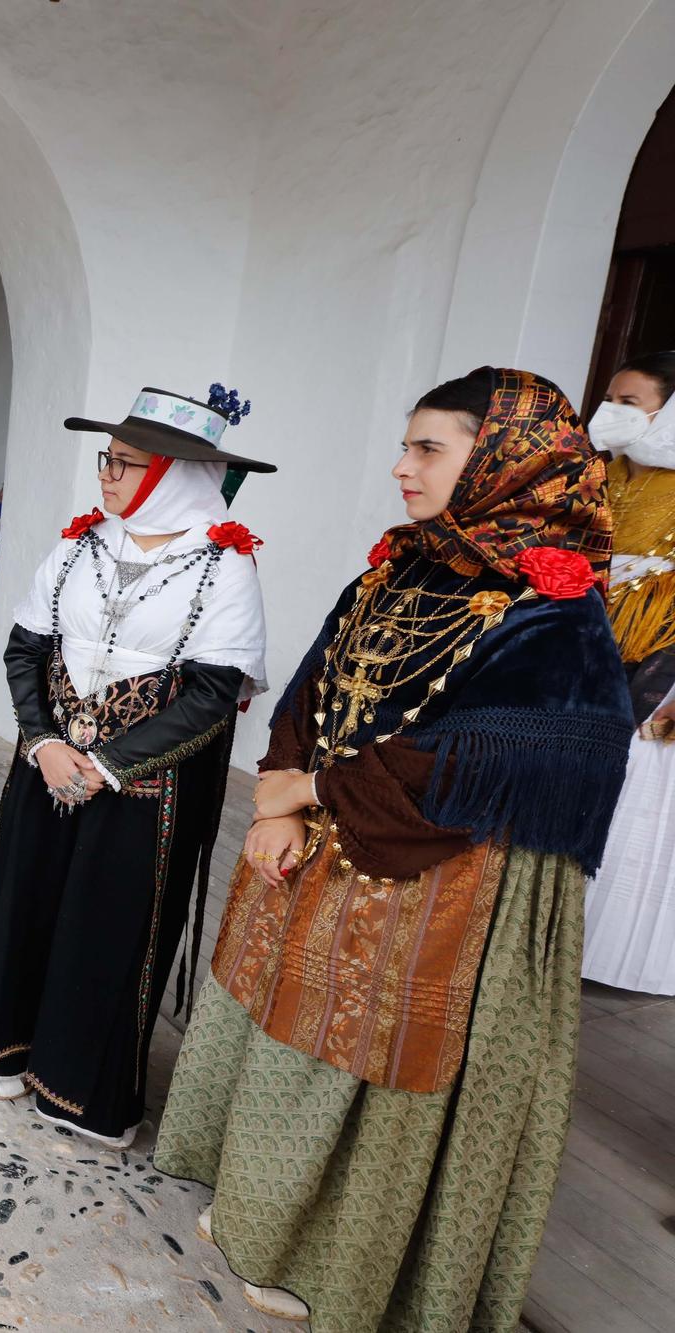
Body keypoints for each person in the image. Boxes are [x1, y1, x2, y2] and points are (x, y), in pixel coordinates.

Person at [157, 368, 632, 1327]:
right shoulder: (402, 565)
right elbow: (313, 678)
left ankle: (330, 1261)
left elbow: (502, 754)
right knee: (281, 1022)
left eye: (429, 449)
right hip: (325, 846)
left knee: (367, 1058)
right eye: (405, 445)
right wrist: (280, 802)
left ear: (501, 460)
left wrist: (313, 788)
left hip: (438, 871)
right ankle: (254, 1201)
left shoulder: (561, 610)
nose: (400, 467)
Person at [0, 383, 273, 1154]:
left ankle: (81, 1089)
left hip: (143, 785)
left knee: (108, 931)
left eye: (125, 462)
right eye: (107, 458)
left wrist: (104, 762)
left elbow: (212, 690)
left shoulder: (222, 563)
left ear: (172, 471)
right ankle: (5, 1045)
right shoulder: (80, 543)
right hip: (50, 761)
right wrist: (42, 740)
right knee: (26, 901)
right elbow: (26, 645)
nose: (106, 473)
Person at [582, 350, 675, 992]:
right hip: (587, 645)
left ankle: (620, 956)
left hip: (660, 665)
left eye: (630, 402)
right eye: (609, 399)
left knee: (639, 792)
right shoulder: (595, 476)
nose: (611, 413)